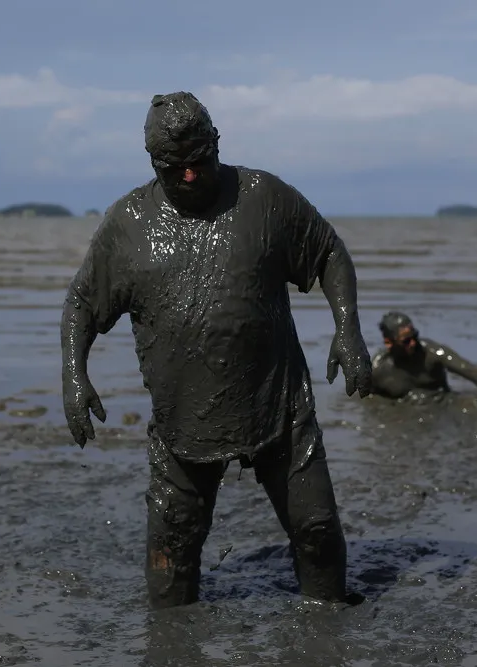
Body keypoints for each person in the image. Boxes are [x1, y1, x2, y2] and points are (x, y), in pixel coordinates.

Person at [60, 91, 372, 609]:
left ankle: (329, 617)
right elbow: (81, 305)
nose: (188, 176)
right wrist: (74, 376)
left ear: (216, 143)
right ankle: (171, 639)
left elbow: (329, 254)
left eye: (199, 160)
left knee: (316, 529)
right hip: (183, 425)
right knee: (172, 549)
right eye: (173, 167)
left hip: (279, 408)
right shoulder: (128, 224)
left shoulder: (264, 197)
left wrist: (349, 330)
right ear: (153, 162)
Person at [370, 311, 477, 411]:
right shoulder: (378, 369)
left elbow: (472, 371)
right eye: (406, 341)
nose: (413, 343)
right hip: (406, 413)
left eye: (415, 336)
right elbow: (368, 399)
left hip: (444, 403)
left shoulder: (432, 353)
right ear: (389, 343)